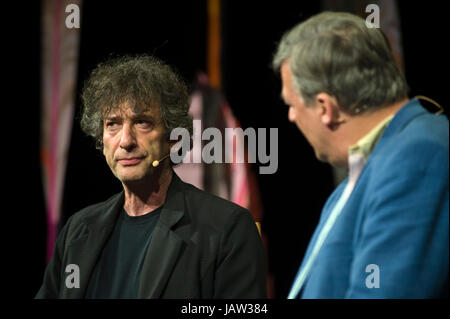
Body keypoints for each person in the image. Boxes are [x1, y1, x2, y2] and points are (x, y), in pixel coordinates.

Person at [36, 55, 267, 299]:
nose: (125, 141)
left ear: (174, 138)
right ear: (101, 139)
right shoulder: (78, 230)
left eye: (142, 123)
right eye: (112, 124)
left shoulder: (227, 228)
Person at [272, 11, 448, 298]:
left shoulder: (417, 156)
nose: (291, 117)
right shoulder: (372, 164)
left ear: (325, 108)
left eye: (292, 104)